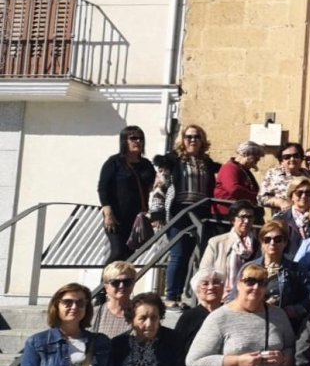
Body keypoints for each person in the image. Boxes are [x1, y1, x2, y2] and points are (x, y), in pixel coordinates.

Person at [161, 124, 219, 309]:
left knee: (195, 256)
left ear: (203, 141)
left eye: (196, 137)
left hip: (201, 213)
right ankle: (171, 296)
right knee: (178, 254)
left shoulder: (207, 163)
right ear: (182, 140)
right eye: (188, 137)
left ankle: (190, 297)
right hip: (180, 211)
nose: (192, 140)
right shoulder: (173, 161)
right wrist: (156, 214)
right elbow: (159, 187)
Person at [240, 220, 310, 331]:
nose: (272, 243)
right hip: (252, 324)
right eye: (267, 240)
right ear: (261, 242)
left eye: (278, 239)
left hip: (282, 326)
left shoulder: (294, 269)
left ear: (285, 242)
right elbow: (235, 296)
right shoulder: (248, 268)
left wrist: (298, 309)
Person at [98, 124, 156, 262]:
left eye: (141, 139)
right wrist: (107, 211)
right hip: (117, 217)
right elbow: (103, 187)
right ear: (124, 140)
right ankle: (105, 283)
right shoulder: (114, 162)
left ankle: (121, 282)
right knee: (118, 252)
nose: (138, 142)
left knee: (130, 256)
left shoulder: (146, 164)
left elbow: (150, 186)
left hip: (136, 218)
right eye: (133, 138)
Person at [198, 200, 261, 295]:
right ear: (232, 219)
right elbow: (204, 272)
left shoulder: (258, 244)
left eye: (250, 217)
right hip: (221, 296)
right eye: (242, 217)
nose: (246, 221)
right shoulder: (217, 242)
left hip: (248, 296)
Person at [214, 141, 264, 218]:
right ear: (245, 154)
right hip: (228, 213)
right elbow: (234, 189)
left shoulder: (244, 170)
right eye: (255, 158)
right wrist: (257, 197)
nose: (256, 162)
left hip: (243, 212)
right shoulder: (229, 168)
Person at [258, 142, 305, 214]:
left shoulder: (309, 175)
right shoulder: (273, 174)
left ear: (301, 158)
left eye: (296, 156)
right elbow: (262, 198)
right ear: (281, 161)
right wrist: (280, 202)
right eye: (287, 157)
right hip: (282, 219)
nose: (292, 159)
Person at [93, 260, 135, 338]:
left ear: (133, 284)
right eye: (115, 282)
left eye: (127, 282)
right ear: (106, 287)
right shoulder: (93, 314)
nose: (121, 286)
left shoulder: (141, 314)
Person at [278, 177, 310, 258]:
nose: (304, 196)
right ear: (291, 195)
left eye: (308, 193)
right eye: (299, 193)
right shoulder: (281, 219)